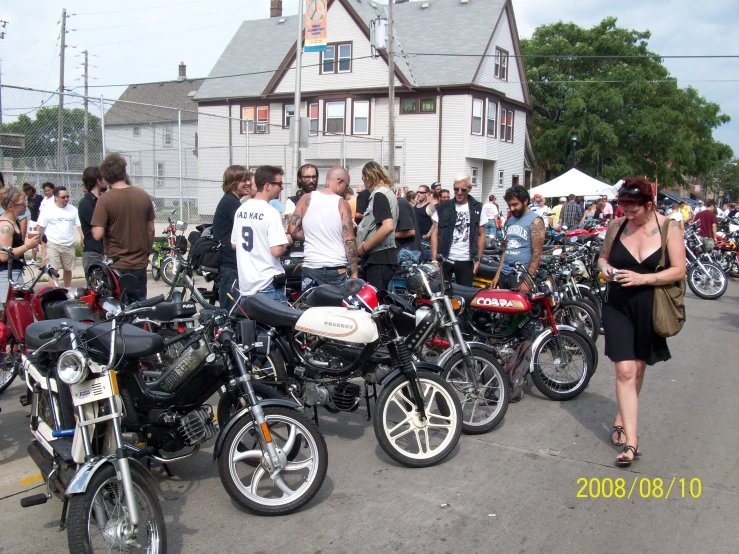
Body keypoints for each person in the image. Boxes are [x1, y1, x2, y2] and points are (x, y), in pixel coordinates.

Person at [597, 177, 686, 468]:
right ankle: (632, 444)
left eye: (633, 210)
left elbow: (679, 271)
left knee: (637, 368)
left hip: (650, 304)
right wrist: (607, 269)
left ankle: (623, 416)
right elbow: (602, 258)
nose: (628, 215)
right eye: (623, 208)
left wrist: (643, 278)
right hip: (618, 303)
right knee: (624, 370)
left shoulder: (669, 227)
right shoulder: (616, 226)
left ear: (649, 205)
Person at [92, 154, 155, 302]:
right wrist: (147, 251)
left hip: (117, 264)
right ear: (124, 172)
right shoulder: (143, 195)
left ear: (105, 178)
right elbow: (151, 229)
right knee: (140, 305)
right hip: (139, 262)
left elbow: (98, 234)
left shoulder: (104, 200)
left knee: (120, 308)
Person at [288, 166, 357, 290]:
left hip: (311, 267)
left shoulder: (306, 199)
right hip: (336, 268)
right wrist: (354, 272)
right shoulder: (342, 204)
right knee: (336, 309)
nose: (345, 191)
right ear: (339, 181)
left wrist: (311, 235)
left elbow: (292, 230)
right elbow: (349, 240)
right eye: (346, 186)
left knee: (311, 308)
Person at [231, 165, 291, 302]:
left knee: (252, 324)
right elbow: (276, 250)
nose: (281, 188)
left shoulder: (241, 210)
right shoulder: (271, 212)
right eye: (279, 184)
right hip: (268, 283)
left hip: (247, 285)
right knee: (277, 323)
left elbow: (234, 244)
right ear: (268, 185)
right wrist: (287, 240)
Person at [430, 175, 486, 287]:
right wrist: (434, 259)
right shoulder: (443, 207)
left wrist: (478, 259)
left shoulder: (478, 208)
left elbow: (481, 235)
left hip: (466, 260)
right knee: (443, 294)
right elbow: (435, 233)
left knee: (464, 296)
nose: (459, 192)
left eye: (463, 190)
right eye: (456, 189)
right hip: (445, 258)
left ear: (469, 189)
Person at [212, 165, 252, 309]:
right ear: (233, 183)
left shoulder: (231, 201)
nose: (248, 183)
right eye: (243, 180)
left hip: (230, 264)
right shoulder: (231, 203)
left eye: (248, 180)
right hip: (230, 265)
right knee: (231, 312)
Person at [491, 186, 545, 291]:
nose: (511, 209)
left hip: (521, 276)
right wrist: (497, 275)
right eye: (509, 205)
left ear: (525, 201)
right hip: (504, 274)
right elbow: (505, 250)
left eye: (515, 204)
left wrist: (527, 281)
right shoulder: (510, 220)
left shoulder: (536, 221)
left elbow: (537, 253)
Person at [356, 161, 398, 290]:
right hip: (382, 258)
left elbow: (388, 226)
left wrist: (365, 247)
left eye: (363, 177)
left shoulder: (379, 195)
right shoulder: (388, 193)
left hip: (379, 258)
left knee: (375, 303)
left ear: (367, 177)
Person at [0, 188, 39, 311]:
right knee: (9, 315)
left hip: (15, 273)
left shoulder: (14, 222)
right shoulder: (5, 225)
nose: (25, 206)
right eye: (22, 204)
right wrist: (27, 246)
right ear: (11, 206)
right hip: (6, 276)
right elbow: (4, 256)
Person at [36, 186, 82, 288]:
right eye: (63, 197)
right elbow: (39, 227)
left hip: (68, 244)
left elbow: (79, 225)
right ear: (56, 197)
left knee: (68, 269)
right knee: (53, 269)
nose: (66, 199)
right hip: (53, 244)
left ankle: (67, 289)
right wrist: (35, 242)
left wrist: (82, 237)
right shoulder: (47, 210)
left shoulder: (73, 210)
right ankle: (54, 290)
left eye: (67, 197)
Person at [77, 167, 107, 274]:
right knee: (95, 289)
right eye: (103, 179)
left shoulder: (102, 200)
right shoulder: (86, 203)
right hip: (94, 253)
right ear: (98, 181)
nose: (106, 181)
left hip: (104, 252)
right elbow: (101, 225)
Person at [22, 184, 43, 264]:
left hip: (39, 221)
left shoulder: (39, 198)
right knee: (32, 238)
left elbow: (44, 207)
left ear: (30, 190)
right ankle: (33, 259)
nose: (26, 193)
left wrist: (41, 212)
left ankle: (45, 254)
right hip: (32, 221)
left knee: (40, 239)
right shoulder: (29, 198)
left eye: (27, 191)